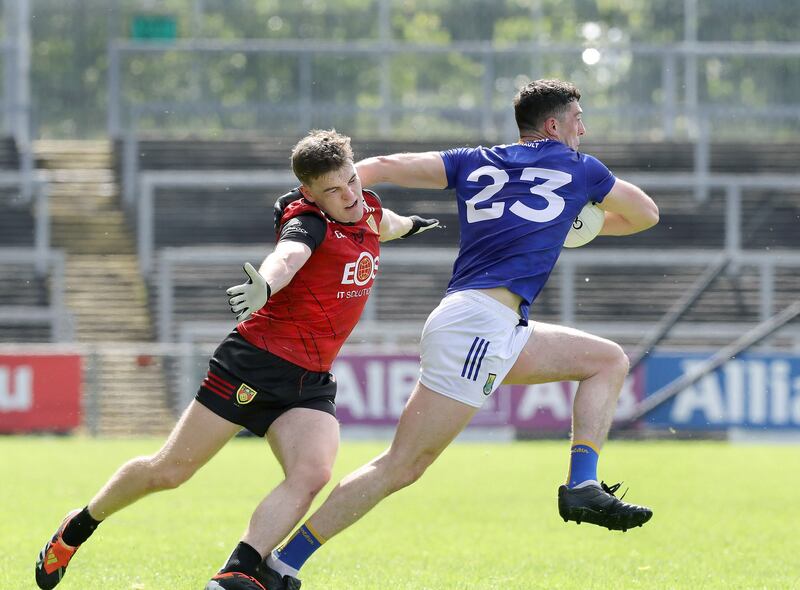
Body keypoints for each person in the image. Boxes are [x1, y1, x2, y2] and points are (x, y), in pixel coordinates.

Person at [262, 79, 660, 586]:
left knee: (607, 360)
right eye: (578, 118)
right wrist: (582, 226)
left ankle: (582, 484)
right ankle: (281, 565)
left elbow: (381, 168)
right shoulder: (580, 169)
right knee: (401, 467)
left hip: (489, 324)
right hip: (478, 329)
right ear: (554, 125)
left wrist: (322, 196)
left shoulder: (474, 160)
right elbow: (646, 213)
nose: (584, 128)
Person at [33, 129, 440, 590]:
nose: (348, 195)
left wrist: (412, 223)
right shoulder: (308, 222)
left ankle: (238, 570)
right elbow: (287, 257)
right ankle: (79, 526)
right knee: (170, 471)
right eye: (333, 190)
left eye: (350, 180)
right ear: (309, 192)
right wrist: (267, 284)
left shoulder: (365, 206)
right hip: (254, 365)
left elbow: (385, 222)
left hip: (309, 379)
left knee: (312, 473)